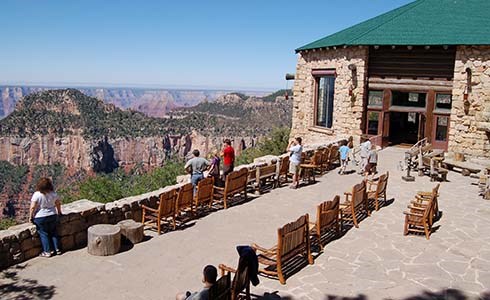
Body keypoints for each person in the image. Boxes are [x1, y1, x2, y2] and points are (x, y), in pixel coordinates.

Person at [29, 177, 62, 257]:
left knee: (43, 234)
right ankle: (57, 249)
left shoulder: (37, 194)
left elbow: (32, 207)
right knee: (53, 232)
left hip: (41, 217)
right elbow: (58, 204)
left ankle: (47, 251)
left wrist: (31, 217)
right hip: (52, 215)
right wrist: (59, 212)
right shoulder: (53, 193)